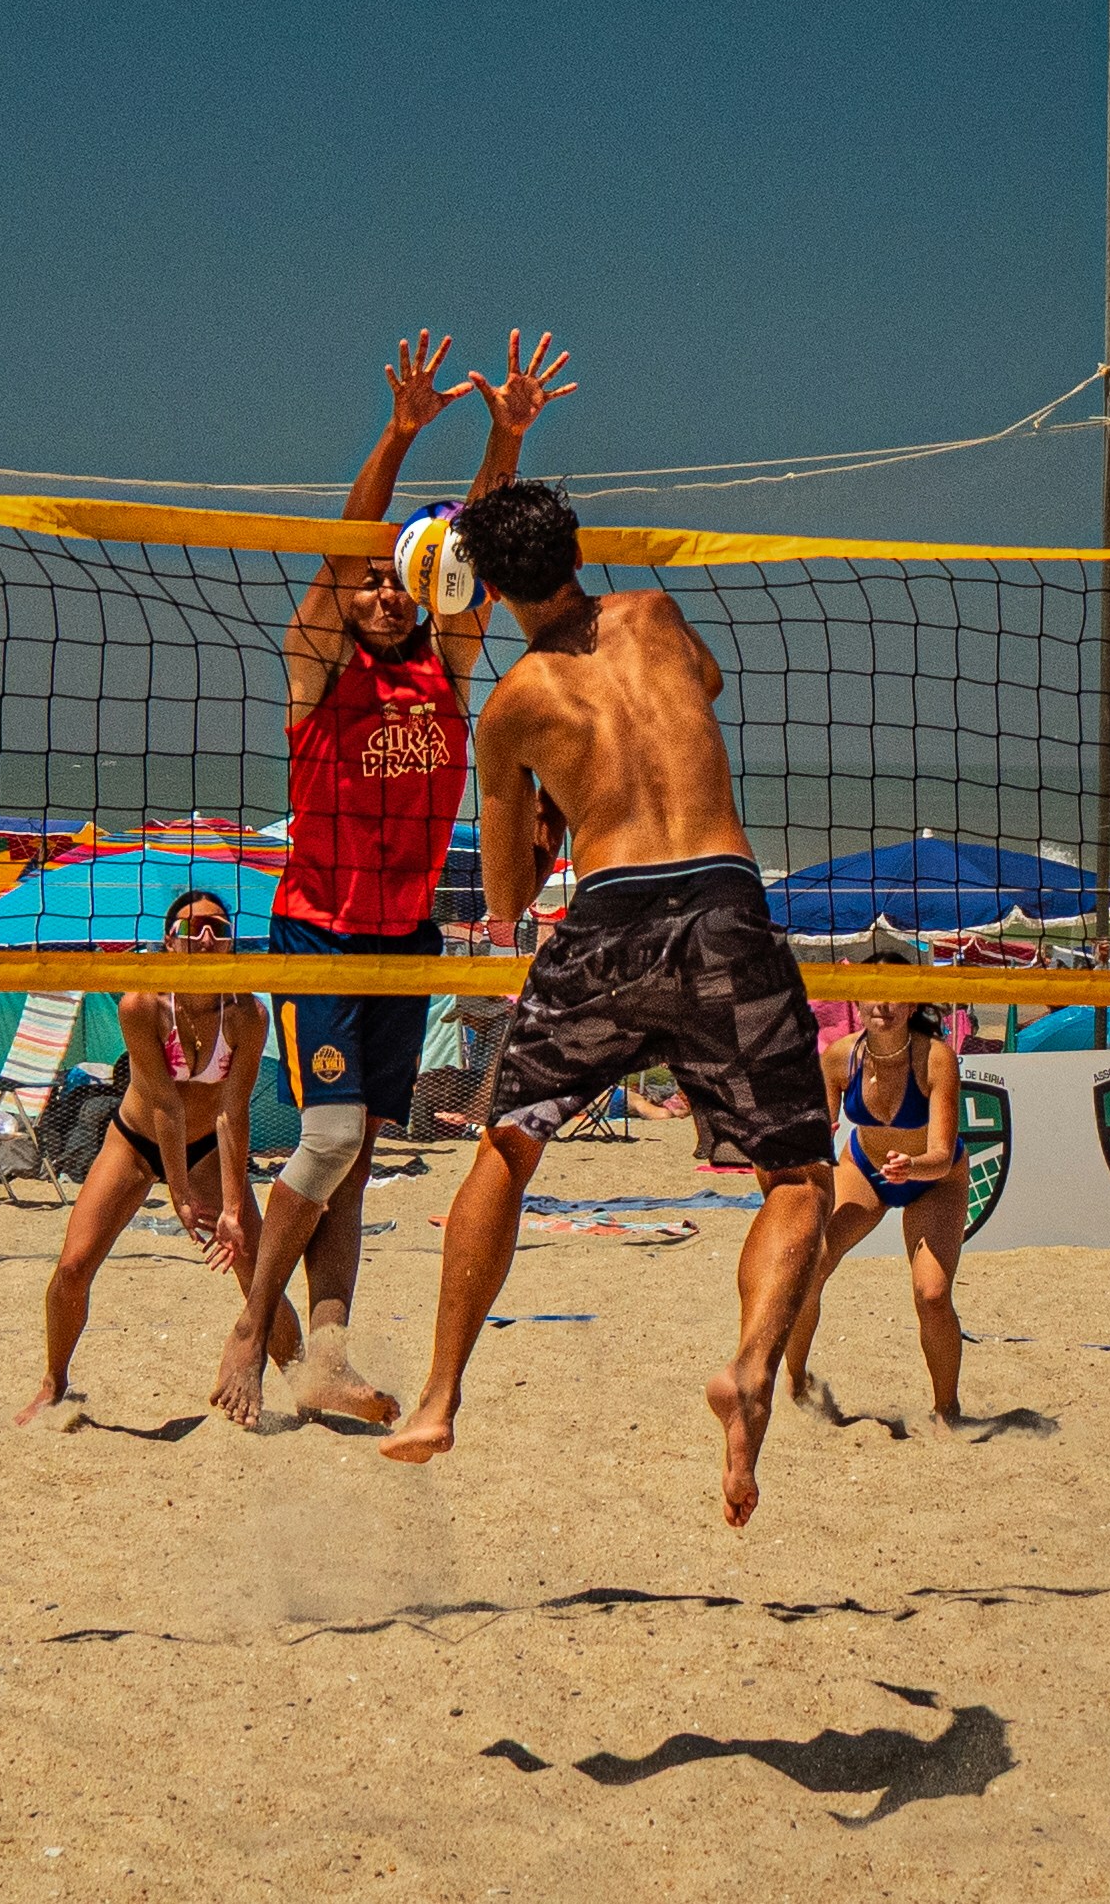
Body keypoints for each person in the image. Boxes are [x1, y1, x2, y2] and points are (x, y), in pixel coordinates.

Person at [379, 479, 833, 1527]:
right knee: (795, 1178)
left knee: (508, 1142)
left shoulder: (509, 710)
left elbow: (500, 899)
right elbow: (702, 688)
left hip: (607, 913)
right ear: (578, 549)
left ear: (485, 587)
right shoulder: (658, 618)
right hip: (724, 902)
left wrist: (547, 809)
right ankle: (749, 1370)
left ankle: (441, 1397)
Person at [212, 329, 575, 1432]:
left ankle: (323, 1354)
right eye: (369, 583)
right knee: (324, 1140)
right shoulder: (315, 663)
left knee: (359, 1151)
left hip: (404, 935)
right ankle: (248, 1327)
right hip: (318, 928)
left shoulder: (444, 659)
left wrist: (503, 438)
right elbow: (335, 554)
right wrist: (402, 430)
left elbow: (470, 544)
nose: (379, 594)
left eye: (394, 582)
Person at [18, 889, 298, 1425]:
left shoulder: (246, 1012)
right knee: (74, 1266)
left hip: (208, 1148)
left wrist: (233, 1209)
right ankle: (54, 1382)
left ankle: (308, 1386)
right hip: (135, 1139)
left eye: (218, 928)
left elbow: (232, 1113)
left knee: (256, 1273)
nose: (207, 938)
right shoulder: (141, 1003)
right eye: (194, 928)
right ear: (169, 940)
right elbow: (164, 1102)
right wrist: (179, 1194)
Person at [782, 999, 971, 1430]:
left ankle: (947, 1410)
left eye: (892, 994)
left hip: (934, 1179)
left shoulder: (935, 1057)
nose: (881, 1003)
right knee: (809, 1268)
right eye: (871, 993)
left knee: (932, 1294)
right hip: (868, 1170)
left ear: (910, 1004)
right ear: (858, 1002)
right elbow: (818, 1138)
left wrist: (911, 1167)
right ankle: (796, 1381)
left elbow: (942, 1155)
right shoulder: (839, 1057)